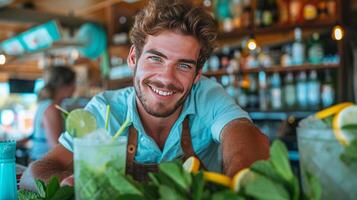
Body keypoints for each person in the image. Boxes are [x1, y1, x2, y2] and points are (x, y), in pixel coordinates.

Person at [21, 0, 269, 187]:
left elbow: (243, 134)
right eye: (155, 59)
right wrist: (67, 181)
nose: (166, 78)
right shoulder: (105, 110)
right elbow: (35, 173)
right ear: (133, 58)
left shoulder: (206, 95)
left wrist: (239, 182)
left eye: (183, 65)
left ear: (197, 74)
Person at [29, 66, 76, 161]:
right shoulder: (51, 108)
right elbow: (56, 146)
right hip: (44, 164)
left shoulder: (45, 104)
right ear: (64, 86)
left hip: (39, 160)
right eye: (73, 83)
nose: (75, 88)